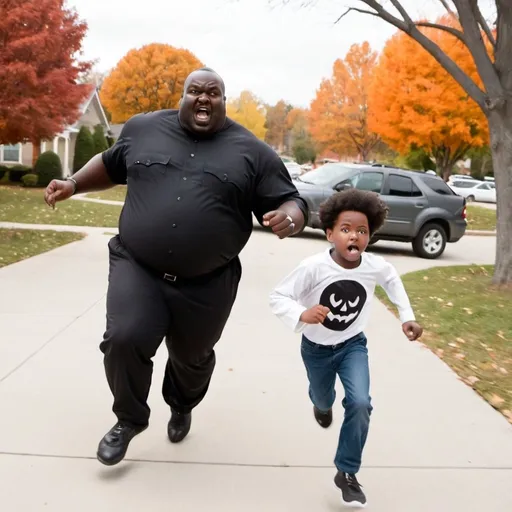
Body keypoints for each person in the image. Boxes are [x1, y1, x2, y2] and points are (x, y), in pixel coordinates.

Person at [44, 67, 308, 466]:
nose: (204, 98)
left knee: (192, 357)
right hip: (139, 266)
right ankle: (129, 419)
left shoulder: (252, 152)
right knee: (124, 338)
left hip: (207, 283)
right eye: (195, 91)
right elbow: (111, 162)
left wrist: (292, 215)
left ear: (223, 100)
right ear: (182, 96)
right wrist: (73, 184)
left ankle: (182, 403)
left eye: (213, 93)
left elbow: (292, 199)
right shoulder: (144, 129)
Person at [269, 189, 422, 508]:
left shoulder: (373, 266)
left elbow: (392, 279)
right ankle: (321, 405)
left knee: (361, 403)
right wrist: (302, 314)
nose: (355, 236)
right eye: (346, 229)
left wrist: (406, 317)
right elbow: (278, 296)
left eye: (362, 231)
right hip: (316, 349)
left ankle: (347, 472)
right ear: (330, 234)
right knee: (323, 396)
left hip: (353, 346)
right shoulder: (313, 267)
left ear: (370, 236)